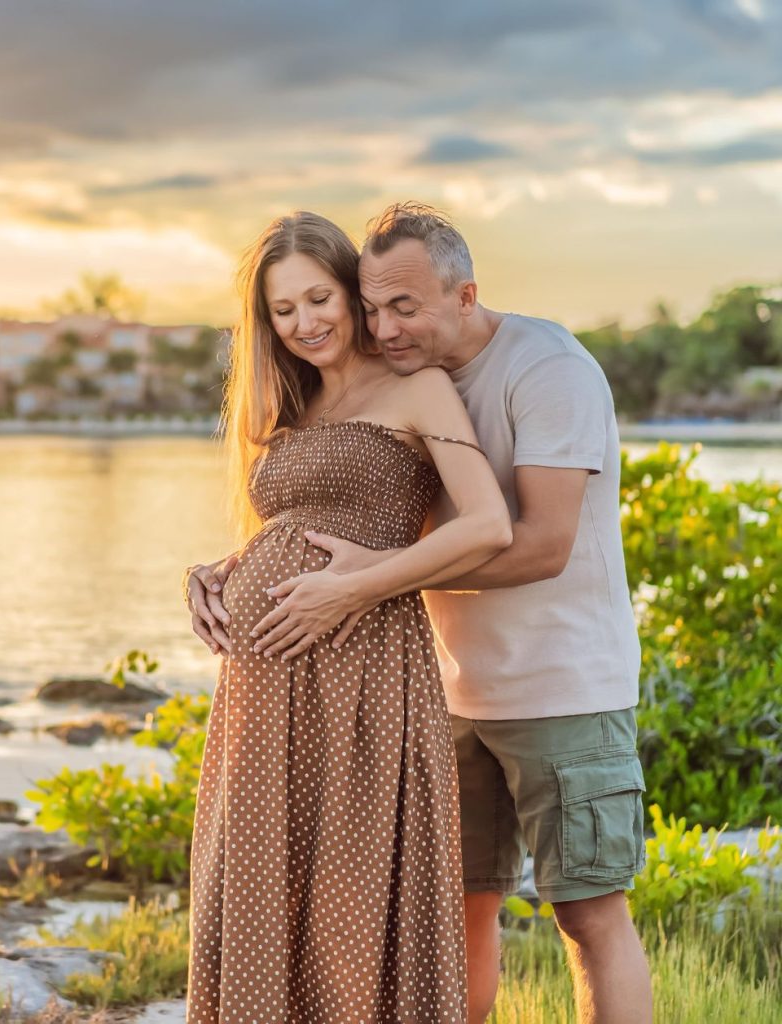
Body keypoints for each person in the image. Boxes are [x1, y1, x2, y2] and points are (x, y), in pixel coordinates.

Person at [190, 202, 652, 1024]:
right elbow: (330, 518)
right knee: (458, 910)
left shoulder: (542, 368)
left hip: (560, 682)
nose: (384, 325)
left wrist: (368, 585)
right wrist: (234, 568)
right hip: (447, 685)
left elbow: (534, 542)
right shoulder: (335, 391)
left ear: (463, 294)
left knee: (586, 910)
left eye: (401, 307)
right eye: (374, 306)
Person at [183, 210, 512, 1023]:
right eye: (282, 310)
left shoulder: (418, 388)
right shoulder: (296, 406)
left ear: (353, 292)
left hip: (366, 679)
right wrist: (223, 568)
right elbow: (298, 527)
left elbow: (487, 525)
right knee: (263, 890)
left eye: (319, 298)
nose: (303, 324)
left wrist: (357, 588)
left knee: (349, 902)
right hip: (262, 698)